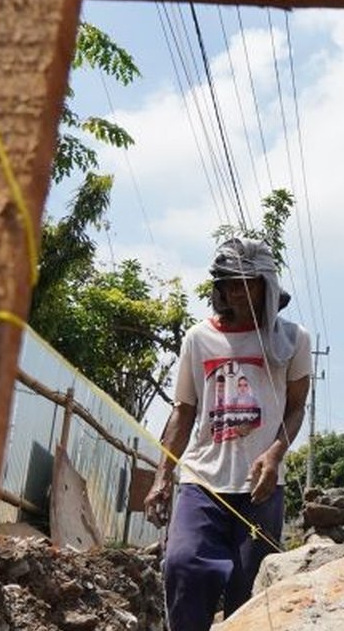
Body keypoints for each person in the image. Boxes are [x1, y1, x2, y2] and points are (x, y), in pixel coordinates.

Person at [144, 238, 312, 630]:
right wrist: (162, 477)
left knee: (249, 588)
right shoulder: (198, 338)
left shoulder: (292, 340)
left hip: (261, 488)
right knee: (183, 565)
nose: (236, 290)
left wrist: (273, 455)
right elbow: (183, 411)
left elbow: (296, 407)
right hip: (202, 482)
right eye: (228, 282)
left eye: (247, 282)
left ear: (266, 285)